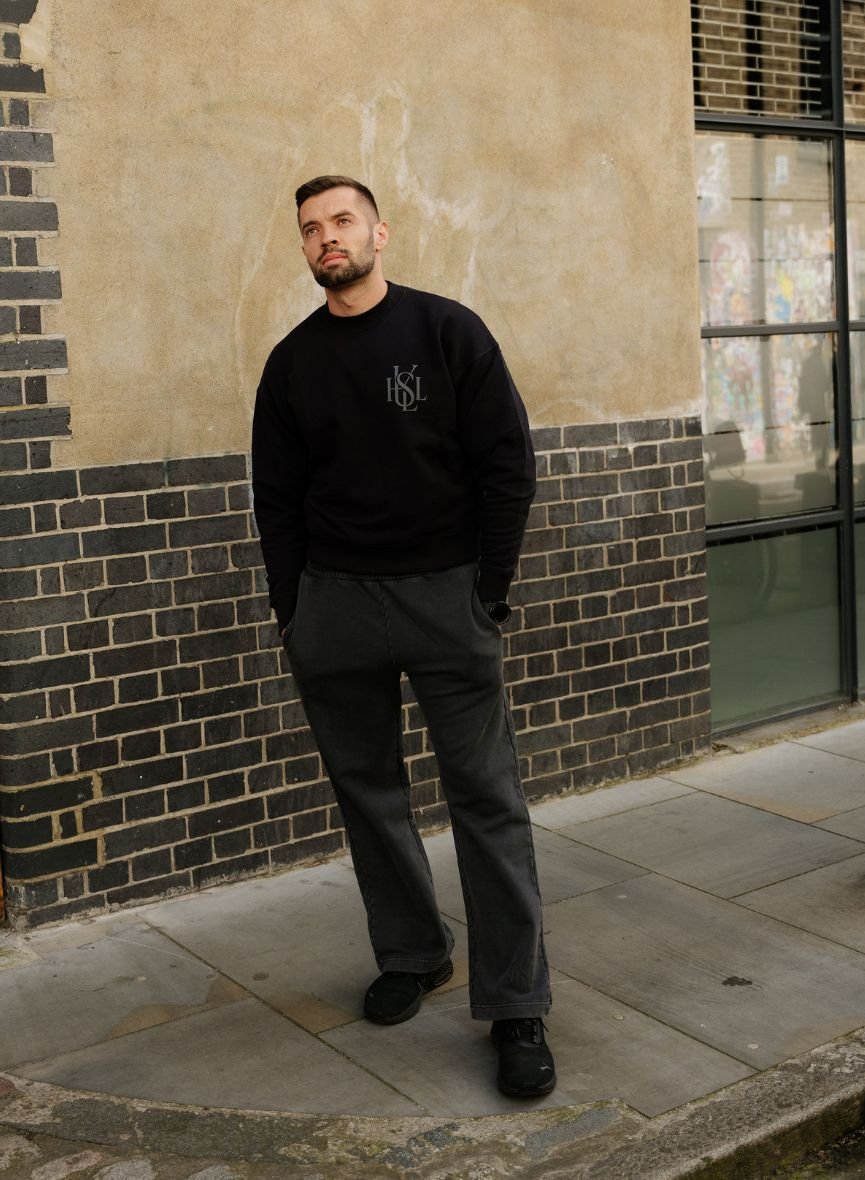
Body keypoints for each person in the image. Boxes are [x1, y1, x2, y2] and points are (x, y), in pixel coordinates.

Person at [251, 175, 555, 1098]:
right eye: (312, 228)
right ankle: (414, 952)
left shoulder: (446, 331)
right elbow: (277, 498)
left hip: (446, 599)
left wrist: (488, 592)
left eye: (343, 221)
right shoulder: (292, 363)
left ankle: (516, 1004)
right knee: (368, 793)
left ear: (379, 232)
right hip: (335, 608)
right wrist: (295, 613)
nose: (327, 238)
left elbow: (508, 463)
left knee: (486, 798)